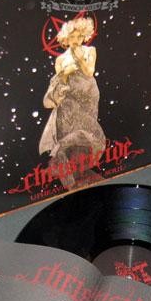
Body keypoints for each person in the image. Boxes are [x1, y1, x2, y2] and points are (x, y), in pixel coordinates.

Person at [39, 16, 106, 189]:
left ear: (84, 36)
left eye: (79, 36)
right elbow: (59, 83)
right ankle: (72, 181)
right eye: (72, 37)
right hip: (68, 101)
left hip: (87, 97)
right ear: (66, 39)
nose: (76, 40)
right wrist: (65, 73)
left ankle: (82, 174)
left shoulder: (90, 50)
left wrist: (80, 58)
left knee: (84, 133)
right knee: (68, 138)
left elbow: (89, 72)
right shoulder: (60, 59)